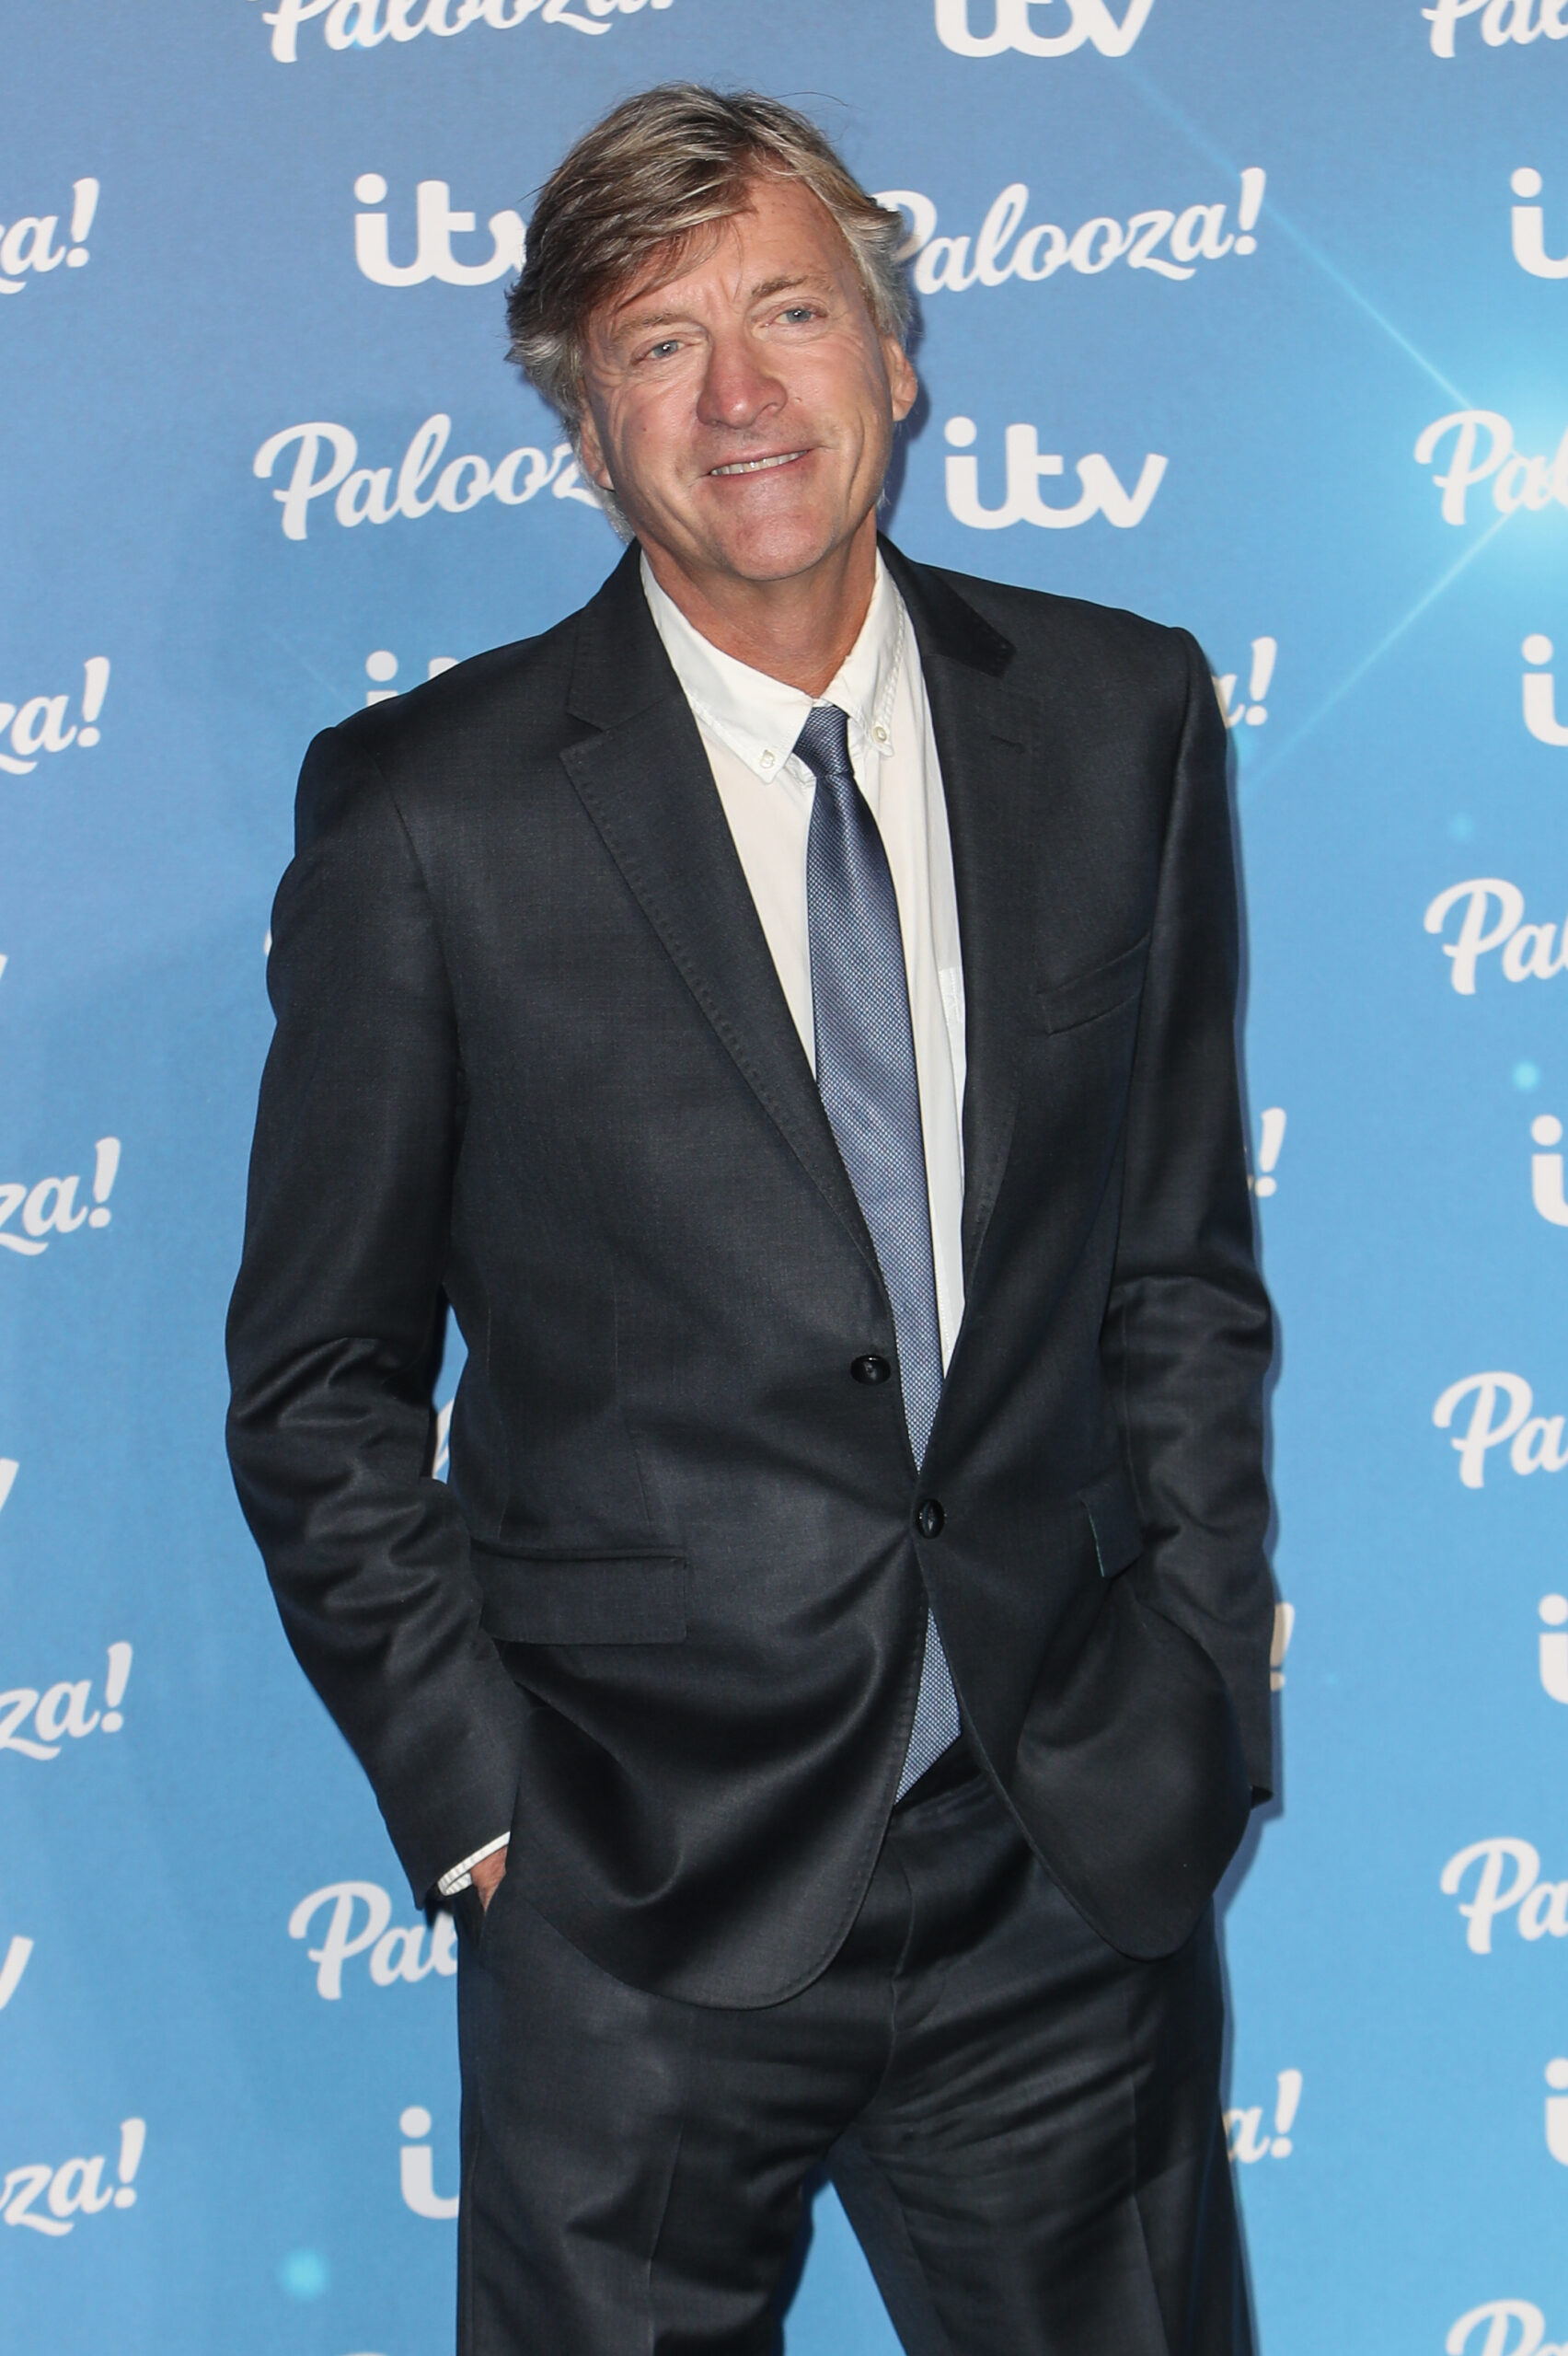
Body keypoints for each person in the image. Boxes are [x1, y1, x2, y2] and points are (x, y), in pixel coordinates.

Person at [226, 83, 1274, 2356]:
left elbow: (1176, 1266)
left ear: (892, 350)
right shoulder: (431, 816)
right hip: (631, 1898)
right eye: (658, 343)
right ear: (586, 427)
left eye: (790, 311)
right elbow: (318, 1380)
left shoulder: (1123, 715)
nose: (740, 395)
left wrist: (1190, 1679)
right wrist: (486, 1806)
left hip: (1057, 1861)